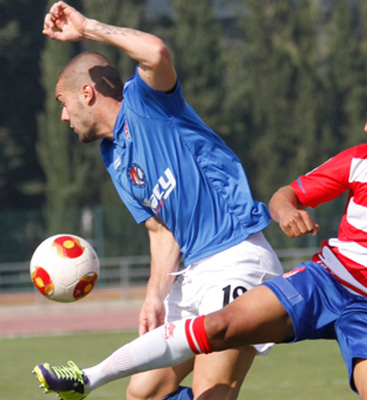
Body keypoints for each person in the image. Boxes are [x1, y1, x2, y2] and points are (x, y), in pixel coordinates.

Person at [34, 70, 367, 400]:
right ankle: (87, 376)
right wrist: (288, 209)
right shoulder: (360, 161)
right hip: (326, 281)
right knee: (219, 327)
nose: (366, 127)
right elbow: (286, 194)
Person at [36, 2, 283, 400]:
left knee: (211, 390)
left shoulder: (146, 101)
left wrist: (87, 27)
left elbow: (156, 53)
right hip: (194, 275)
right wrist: (155, 296)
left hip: (237, 258)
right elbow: (160, 231)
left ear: (87, 93)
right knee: (144, 393)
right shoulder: (113, 156)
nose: (64, 117)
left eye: (64, 104)